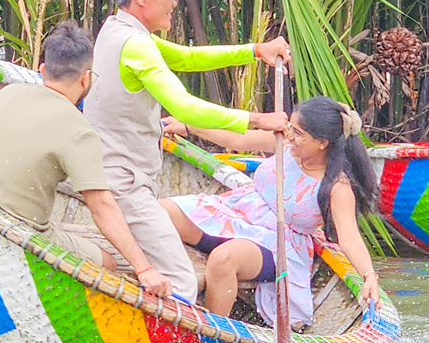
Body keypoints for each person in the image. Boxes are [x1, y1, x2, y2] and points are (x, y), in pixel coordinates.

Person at [82, 0, 291, 301]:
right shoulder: (136, 44)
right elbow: (184, 107)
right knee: (182, 282)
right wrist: (256, 119)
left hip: (113, 174)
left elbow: (187, 58)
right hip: (125, 184)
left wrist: (255, 50)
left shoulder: (117, 30)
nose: (175, 3)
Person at [0, 20, 171, 297]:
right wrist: (144, 269)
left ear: (43, 70)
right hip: (23, 231)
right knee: (107, 262)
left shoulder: (7, 93)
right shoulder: (80, 130)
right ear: (86, 78)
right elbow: (102, 208)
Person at [159, 97, 381, 326]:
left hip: (276, 244)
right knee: (159, 212)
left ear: (322, 143)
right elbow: (237, 138)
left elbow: (349, 237)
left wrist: (369, 276)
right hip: (232, 214)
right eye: (290, 128)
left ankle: (211, 335)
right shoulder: (285, 143)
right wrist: (187, 127)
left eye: (298, 133)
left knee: (223, 259)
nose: (290, 136)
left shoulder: (337, 187)